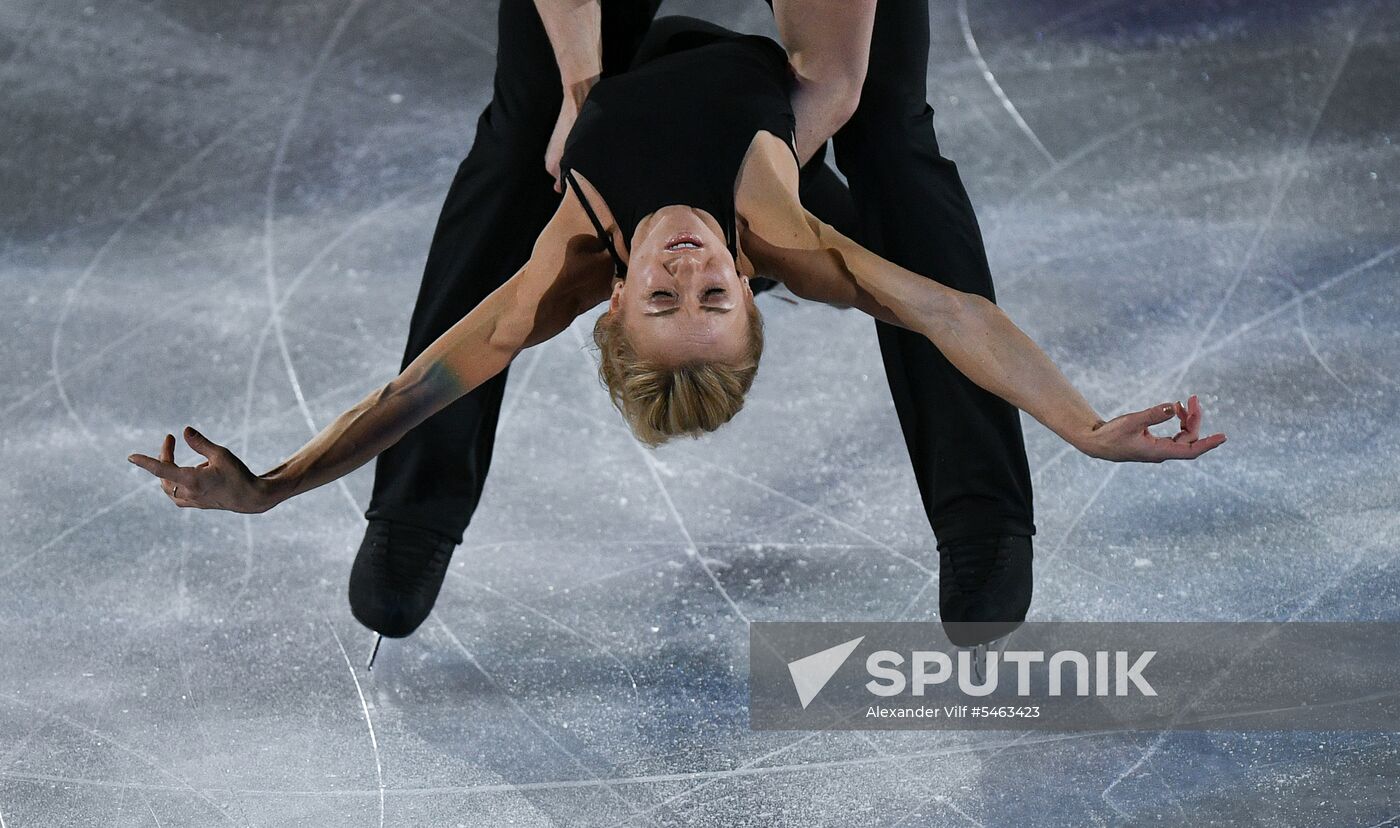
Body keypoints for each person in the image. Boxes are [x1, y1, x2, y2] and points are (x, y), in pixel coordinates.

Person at [127, 2, 1226, 652]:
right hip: (801, 82)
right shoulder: (782, 228)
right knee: (874, 121)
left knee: (529, 138)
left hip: (609, 89)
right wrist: (1082, 429)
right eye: (715, 296)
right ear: (755, 284)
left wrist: (270, 486)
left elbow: (420, 387)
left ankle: (979, 521)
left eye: (663, 296)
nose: (690, 269)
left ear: (610, 297)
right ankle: (994, 506)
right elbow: (950, 311)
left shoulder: (563, 265)